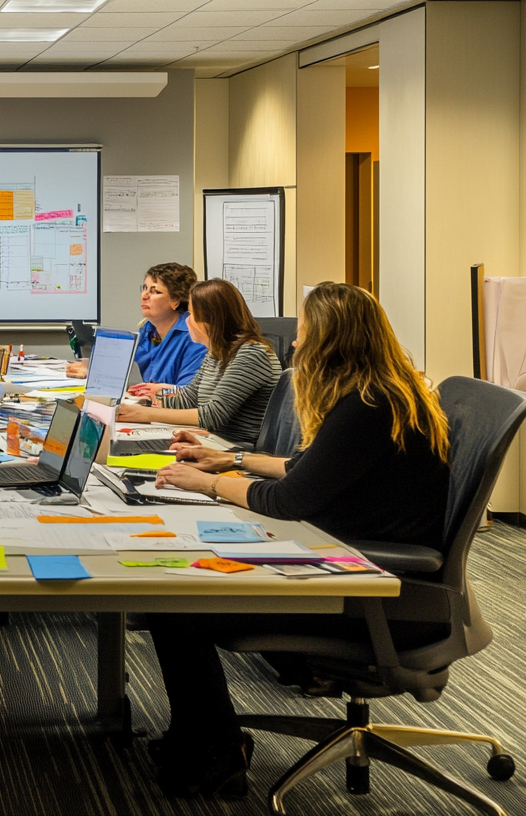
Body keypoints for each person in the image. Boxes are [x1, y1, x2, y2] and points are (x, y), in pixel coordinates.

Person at [142, 282, 452, 799]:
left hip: (373, 590)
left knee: (176, 599)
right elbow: (305, 468)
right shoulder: (376, 392)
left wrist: (210, 484)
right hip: (346, 557)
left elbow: (288, 501)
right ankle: (198, 737)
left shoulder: (369, 407)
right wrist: (232, 460)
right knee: (177, 589)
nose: (296, 346)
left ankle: (218, 748)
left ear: (333, 343)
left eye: (305, 336)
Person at [114, 279, 280, 449]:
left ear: (211, 320)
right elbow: (189, 398)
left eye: (192, 315)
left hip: (233, 448)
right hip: (210, 440)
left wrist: (145, 413)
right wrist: (146, 402)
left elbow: (212, 415)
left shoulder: (252, 353)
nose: (187, 320)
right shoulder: (216, 352)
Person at [66, 263, 208, 396]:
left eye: (155, 291)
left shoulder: (193, 336)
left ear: (175, 300)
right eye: (144, 288)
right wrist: (93, 368)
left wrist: (156, 393)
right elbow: (127, 367)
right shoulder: (150, 330)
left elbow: (189, 393)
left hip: (174, 414)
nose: (145, 296)